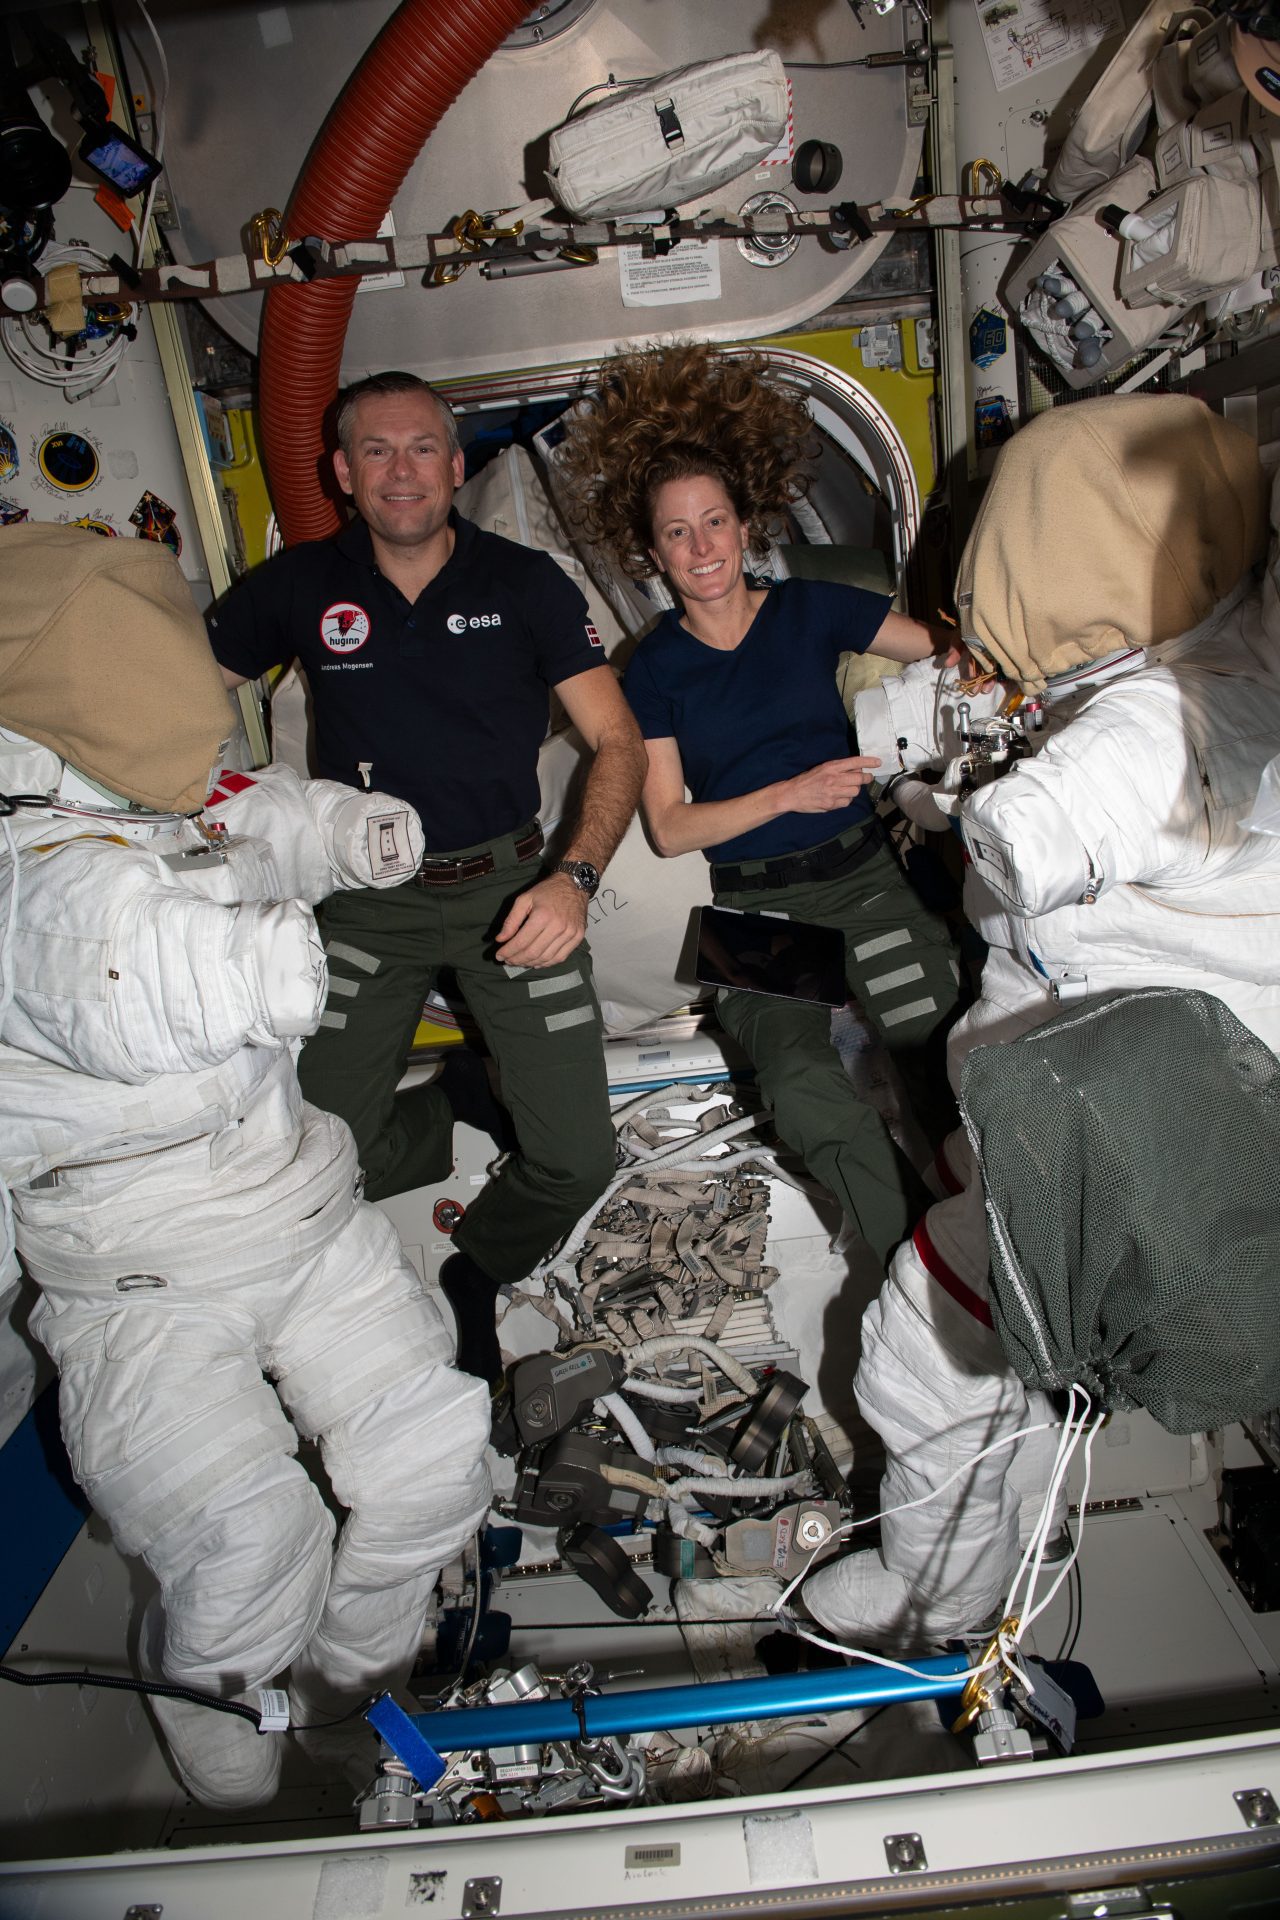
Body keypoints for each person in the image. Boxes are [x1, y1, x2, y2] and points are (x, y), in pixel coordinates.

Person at [0, 523, 492, 1808]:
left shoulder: (146, 799)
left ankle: (346, 1676)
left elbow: (251, 822)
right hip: (143, 1278)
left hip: (296, 1215)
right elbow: (113, 975)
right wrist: (257, 967)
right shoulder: (32, 872)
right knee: (246, 1540)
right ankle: (219, 1723)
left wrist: (347, 834)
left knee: (438, 1456)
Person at [800, 393, 1280, 1648]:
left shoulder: (1151, 725)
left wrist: (973, 814)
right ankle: (993, 1525)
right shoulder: (1222, 648)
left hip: (1122, 1152)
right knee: (1000, 1354)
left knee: (921, 1349)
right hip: (1170, 1108)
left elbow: (1054, 824)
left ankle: (939, 1602)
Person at [209, 372, 647, 1386]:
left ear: (456, 468)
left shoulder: (524, 584)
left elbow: (616, 742)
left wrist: (571, 880)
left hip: (511, 887)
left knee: (577, 1160)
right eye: (375, 451)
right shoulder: (299, 586)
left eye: (420, 450)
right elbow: (184, 689)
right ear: (341, 472)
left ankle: (478, 1266)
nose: (399, 471)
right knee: (320, 1162)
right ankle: (452, 1103)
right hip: (367, 900)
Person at [556, 343, 962, 1271]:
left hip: (863, 880)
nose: (701, 550)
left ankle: (994, 1234)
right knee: (799, 1086)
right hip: (752, 904)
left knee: (942, 1050)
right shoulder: (653, 667)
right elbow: (668, 826)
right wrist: (789, 790)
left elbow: (942, 652)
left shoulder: (811, 609)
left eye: (715, 523)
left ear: (746, 526)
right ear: (649, 550)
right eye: (676, 533)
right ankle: (922, 1269)